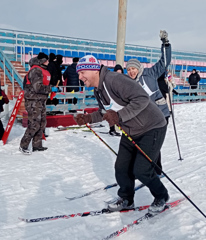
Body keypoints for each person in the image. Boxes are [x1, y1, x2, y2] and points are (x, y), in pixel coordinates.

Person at [74, 55, 169, 215]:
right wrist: (89, 118)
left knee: (142, 169)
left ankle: (161, 196)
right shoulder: (98, 89)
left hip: (152, 126)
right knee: (121, 167)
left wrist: (119, 116)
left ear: (94, 70)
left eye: (82, 72)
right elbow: (105, 111)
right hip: (131, 129)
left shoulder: (114, 80)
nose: (80, 77)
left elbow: (142, 99)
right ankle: (126, 199)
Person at [126, 30, 171, 175]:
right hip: (145, 119)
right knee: (149, 144)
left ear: (138, 68)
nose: (131, 72)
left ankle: (156, 170)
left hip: (160, 114)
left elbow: (164, 62)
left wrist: (165, 44)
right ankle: (151, 168)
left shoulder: (150, 73)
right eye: (129, 69)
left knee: (153, 143)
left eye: (133, 68)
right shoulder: (128, 84)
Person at [19, 52, 58, 154]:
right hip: (33, 101)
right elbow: (38, 87)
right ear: (42, 61)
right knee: (34, 124)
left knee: (41, 123)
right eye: (47, 60)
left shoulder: (42, 70)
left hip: (40, 100)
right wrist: (51, 88)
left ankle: (37, 145)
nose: (48, 62)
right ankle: (23, 145)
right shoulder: (36, 70)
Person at [108, 64, 124, 136]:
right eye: (117, 73)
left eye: (120, 73)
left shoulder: (124, 80)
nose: (119, 75)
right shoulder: (111, 80)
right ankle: (112, 130)